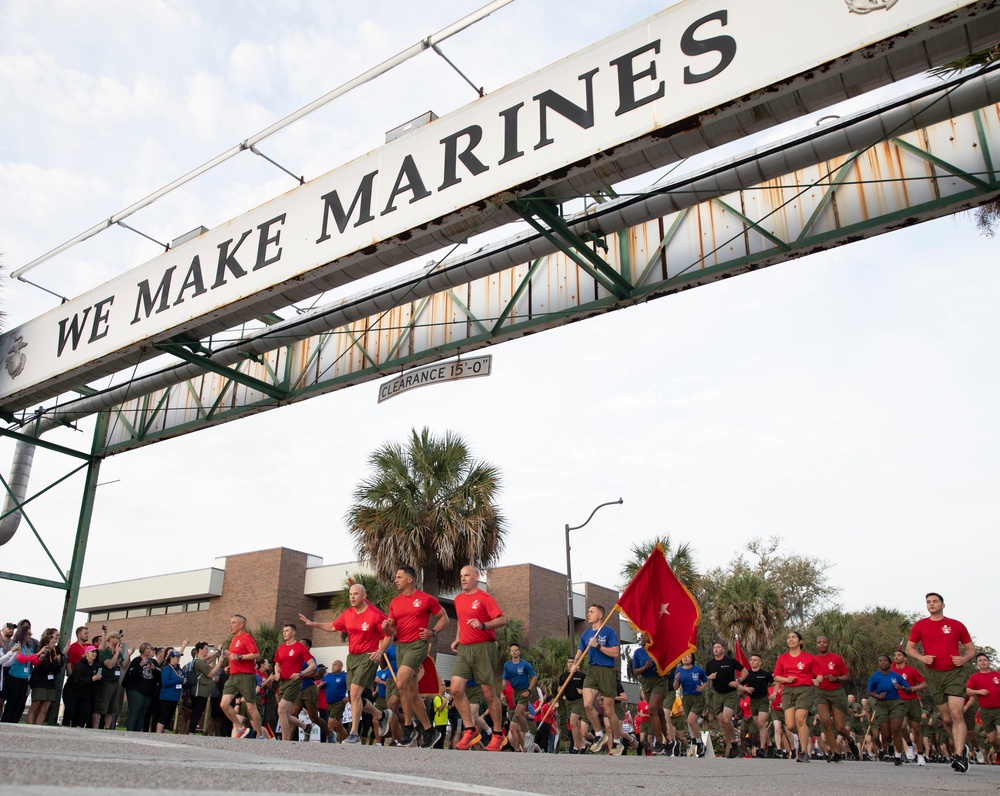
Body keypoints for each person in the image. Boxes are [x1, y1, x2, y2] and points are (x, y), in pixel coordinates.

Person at [300, 582, 392, 745]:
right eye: (350, 594)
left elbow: (388, 635)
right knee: (353, 696)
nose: (352, 597)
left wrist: (380, 651)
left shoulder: (374, 614)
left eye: (356, 594)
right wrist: (313, 624)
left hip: (368, 656)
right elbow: (332, 626)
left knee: (355, 693)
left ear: (364, 596)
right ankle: (381, 715)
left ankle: (354, 734)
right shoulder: (348, 614)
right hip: (353, 657)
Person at [906, 592, 977, 773]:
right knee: (946, 719)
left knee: (956, 713)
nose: (931, 604)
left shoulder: (956, 625)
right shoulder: (920, 625)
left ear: (943, 605)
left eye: (935, 601)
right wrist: (922, 658)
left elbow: (971, 650)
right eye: (928, 602)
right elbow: (909, 648)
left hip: (954, 673)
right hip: (934, 675)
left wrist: (964, 659)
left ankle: (959, 756)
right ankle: (960, 746)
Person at [381, 565, 449, 748]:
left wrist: (433, 632)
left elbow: (444, 617)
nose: (395, 580)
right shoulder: (395, 603)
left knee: (400, 683)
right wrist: (386, 628)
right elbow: (392, 631)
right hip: (400, 646)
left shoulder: (426, 599)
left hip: (417, 645)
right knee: (412, 692)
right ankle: (429, 730)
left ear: (410, 579)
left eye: (399, 577)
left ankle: (409, 727)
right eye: (396, 577)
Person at [449, 564, 507, 752]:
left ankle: (498, 734)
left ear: (476, 577)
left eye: (467, 575)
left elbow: (501, 620)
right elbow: (461, 620)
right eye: (461, 576)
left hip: (484, 648)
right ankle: (470, 728)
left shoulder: (485, 598)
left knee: (489, 694)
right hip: (465, 649)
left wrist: (483, 625)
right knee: (455, 690)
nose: (463, 579)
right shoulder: (458, 600)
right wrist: (458, 637)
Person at [578, 604, 622, 755]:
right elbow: (579, 652)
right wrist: (575, 664)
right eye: (588, 611)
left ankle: (617, 741)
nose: (588, 614)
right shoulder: (585, 634)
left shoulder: (609, 632)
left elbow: (615, 652)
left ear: (600, 615)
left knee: (609, 711)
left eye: (592, 612)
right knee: (587, 704)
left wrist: (598, 646)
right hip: (592, 671)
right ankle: (599, 735)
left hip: (607, 671)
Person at [813, 635, 860, 762]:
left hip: (836, 692)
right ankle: (836, 753)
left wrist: (837, 678)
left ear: (828, 644)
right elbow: (810, 677)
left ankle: (850, 740)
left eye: (824, 642)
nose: (822, 644)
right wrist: (815, 681)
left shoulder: (835, 658)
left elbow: (847, 675)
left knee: (839, 727)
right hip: (821, 692)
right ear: (816, 645)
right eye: (819, 642)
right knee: (826, 722)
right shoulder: (813, 660)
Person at [773, 630, 816, 763]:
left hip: (804, 689)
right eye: (789, 637)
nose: (790, 639)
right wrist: (786, 680)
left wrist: (818, 680)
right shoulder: (782, 658)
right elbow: (776, 676)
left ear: (800, 641)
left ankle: (804, 752)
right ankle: (804, 735)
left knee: (800, 719)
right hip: (788, 690)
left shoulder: (808, 657)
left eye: (794, 637)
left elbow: (818, 673)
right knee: (791, 725)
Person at [221, 614, 263, 739]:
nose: (230, 625)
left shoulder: (246, 638)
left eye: (234, 622)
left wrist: (239, 657)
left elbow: (256, 654)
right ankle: (240, 727)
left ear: (241, 625)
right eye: (230, 622)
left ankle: (260, 735)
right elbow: (233, 657)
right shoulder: (233, 640)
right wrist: (230, 666)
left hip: (246, 676)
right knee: (224, 704)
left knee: (251, 708)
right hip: (233, 676)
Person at [273, 623, 315, 742]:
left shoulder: (300, 647)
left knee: (281, 709)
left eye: (287, 631)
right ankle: (305, 727)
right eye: (283, 631)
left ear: (293, 633)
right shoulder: (281, 648)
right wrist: (276, 673)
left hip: (294, 682)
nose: (284, 633)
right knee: (284, 714)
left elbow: (312, 665)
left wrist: (300, 673)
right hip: (282, 682)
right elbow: (277, 664)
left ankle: (284, 741)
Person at [705, 642, 747, 759]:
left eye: (718, 647)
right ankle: (729, 747)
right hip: (717, 695)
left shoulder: (730, 661)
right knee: (722, 722)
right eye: (714, 648)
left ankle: (734, 743)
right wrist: (709, 677)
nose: (716, 649)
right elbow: (704, 678)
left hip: (730, 693)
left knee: (727, 719)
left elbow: (745, 671)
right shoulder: (710, 664)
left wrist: (738, 681)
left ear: (723, 649)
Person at [867, 654, 911, 766]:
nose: (882, 662)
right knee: (886, 734)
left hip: (895, 703)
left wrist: (901, 688)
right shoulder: (875, 676)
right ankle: (890, 744)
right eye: (880, 661)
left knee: (895, 729)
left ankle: (898, 755)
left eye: (885, 660)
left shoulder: (897, 676)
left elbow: (908, 689)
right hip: (881, 704)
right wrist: (878, 696)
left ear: (890, 663)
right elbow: (870, 691)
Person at [632, 632, 669, 755]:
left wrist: (662, 670)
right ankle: (669, 740)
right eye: (641, 635)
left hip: (659, 682)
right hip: (646, 683)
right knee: (659, 712)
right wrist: (644, 668)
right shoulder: (638, 652)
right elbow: (635, 671)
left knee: (652, 709)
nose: (643, 637)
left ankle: (658, 742)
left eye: (646, 635)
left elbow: (668, 666)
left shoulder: (659, 649)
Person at [891, 649, 928, 765]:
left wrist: (913, 688)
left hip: (912, 701)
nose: (896, 657)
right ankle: (909, 745)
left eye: (899, 655)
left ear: (905, 658)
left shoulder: (911, 670)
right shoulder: (891, 671)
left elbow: (924, 684)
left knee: (916, 728)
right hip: (898, 701)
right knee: (902, 726)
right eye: (895, 655)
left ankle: (921, 754)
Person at [502, 642, 538, 752]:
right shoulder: (507, 665)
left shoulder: (525, 664)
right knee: (514, 726)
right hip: (515, 693)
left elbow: (534, 677)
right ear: (510, 652)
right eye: (512, 650)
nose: (514, 652)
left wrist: (528, 690)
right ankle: (523, 748)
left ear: (519, 651)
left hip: (524, 691)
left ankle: (528, 735)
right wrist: (502, 691)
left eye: (516, 650)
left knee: (518, 714)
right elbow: (505, 679)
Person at [966, 652, 1000, 765]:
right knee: (992, 739)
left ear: (989, 662)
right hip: (985, 711)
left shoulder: (997, 675)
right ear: (977, 664)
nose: (982, 662)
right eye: (980, 660)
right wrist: (978, 691)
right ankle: (998, 750)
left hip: (998, 709)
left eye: (985, 660)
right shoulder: (974, 677)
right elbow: (966, 690)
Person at [1, 622, 38, 723]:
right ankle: (6, 722)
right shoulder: (16, 645)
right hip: (14, 677)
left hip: (24, 678)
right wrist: (37, 654)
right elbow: (22, 659)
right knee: (12, 702)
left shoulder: (29, 647)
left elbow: (33, 661)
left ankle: (15, 723)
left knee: (20, 703)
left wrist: (40, 656)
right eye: (28, 634)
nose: (30, 636)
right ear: (23, 635)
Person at [737, 654, 773, 757]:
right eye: (751, 660)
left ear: (760, 662)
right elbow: (739, 686)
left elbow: (775, 683)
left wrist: (773, 694)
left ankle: (762, 749)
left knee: (762, 723)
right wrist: (746, 689)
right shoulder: (748, 674)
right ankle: (769, 744)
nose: (752, 662)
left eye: (755, 660)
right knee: (759, 725)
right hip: (753, 701)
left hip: (763, 700)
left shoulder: (765, 674)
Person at [674, 653, 708, 757]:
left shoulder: (698, 670)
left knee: (691, 720)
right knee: (691, 722)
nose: (685, 658)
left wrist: (702, 687)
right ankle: (700, 742)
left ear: (692, 658)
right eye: (684, 656)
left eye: (688, 656)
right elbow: (675, 687)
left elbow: (706, 681)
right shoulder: (679, 670)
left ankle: (698, 742)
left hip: (697, 697)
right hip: (686, 698)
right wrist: (676, 679)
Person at [27, 628, 62, 725]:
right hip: (40, 682)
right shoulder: (41, 651)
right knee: (35, 705)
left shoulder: (53, 652)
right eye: (52, 643)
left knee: (45, 707)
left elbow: (55, 670)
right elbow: (42, 668)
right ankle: (30, 725)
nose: (54, 645)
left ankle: (38, 726)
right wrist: (54, 662)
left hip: (50, 683)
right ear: (46, 643)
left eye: (55, 643)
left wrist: (57, 663)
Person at [93, 631, 127, 729]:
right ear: (110, 639)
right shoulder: (105, 652)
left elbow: (124, 666)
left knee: (111, 708)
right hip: (106, 682)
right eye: (117, 638)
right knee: (101, 706)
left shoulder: (118, 653)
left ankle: (107, 727)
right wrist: (116, 653)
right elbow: (109, 665)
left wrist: (129, 655)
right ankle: (94, 727)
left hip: (115, 682)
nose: (119, 640)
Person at [187, 642, 222, 734]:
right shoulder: (199, 662)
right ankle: (191, 732)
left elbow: (207, 659)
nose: (208, 651)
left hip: (202, 692)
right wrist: (220, 663)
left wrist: (217, 653)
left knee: (197, 713)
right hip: (200, 692)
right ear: (200, 650)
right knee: (197, 713)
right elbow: (210, 674)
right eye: (206, 649)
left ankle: (190, 731)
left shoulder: (199, 660)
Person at [63, 644, 101, 727]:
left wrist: (98, 679)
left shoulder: (96, 666)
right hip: (72, 691)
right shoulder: (80, 665)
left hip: (84, 693)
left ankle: (78, 727)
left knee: (86, 712)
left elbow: (96, 682)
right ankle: (64, 726)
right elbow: (77, 680)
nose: (94, 654)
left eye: (95, 652)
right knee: (70, 711)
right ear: (87, 653)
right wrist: (91, 679)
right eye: (92, 652)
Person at [124, 642, 159, 731]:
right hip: (136, 689)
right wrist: (140, 665)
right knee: (135, 711)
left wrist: (154, 669)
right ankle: (130, 731)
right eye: (147, 648)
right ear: (142, 650)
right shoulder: (137, 660)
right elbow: (131, 674)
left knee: (143, 713)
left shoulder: (154, 662)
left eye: (150, 649)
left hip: (148, 691)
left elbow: (159, 676)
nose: (149, 650)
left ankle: (137, 732)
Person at [559, 658, 588, 753]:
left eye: (573, 662)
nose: (571, 664)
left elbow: (589, 689)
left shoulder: (581, 676)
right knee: (574, 725)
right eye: (569, 662)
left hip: (578, 701)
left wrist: (583, 691)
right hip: (568, 702)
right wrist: (560, 692)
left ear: (577, 664)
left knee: (573, 722)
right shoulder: (563, 676)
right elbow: (560, 688)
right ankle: (582, 745)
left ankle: (576, 747)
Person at [156, 649, 184, 732]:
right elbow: (165, 683)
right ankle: (158, 735)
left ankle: (165, 736)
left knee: (169, 719)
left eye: (179, 657)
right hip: (166, 697)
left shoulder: (178, 669)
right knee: (163, 717)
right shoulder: (167, 669)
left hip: (174, 697)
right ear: (171, 657)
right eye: (177, 657)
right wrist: (179, 681)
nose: (178, 658)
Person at [322, 660, 348, 741]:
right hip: (329, 703)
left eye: (335, 665)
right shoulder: (327, 676)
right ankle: (346, 742)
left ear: (340, 667)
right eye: (332, 665)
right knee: (339, 726)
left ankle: (328, 745)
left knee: (330, 723)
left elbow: (352, 688)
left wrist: (348, 698)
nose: (333, 666)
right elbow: (320, 687)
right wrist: (319, 686)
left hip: (339, 703)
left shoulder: (344, 676)